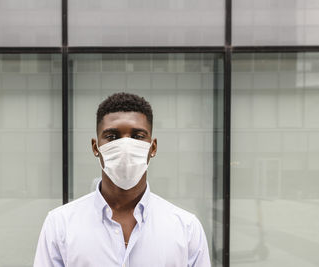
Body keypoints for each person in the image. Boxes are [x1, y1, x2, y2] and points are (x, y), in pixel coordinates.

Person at [33, 92, 211, 267]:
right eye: (112, 136)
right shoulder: (60, 225)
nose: (125, 146)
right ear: (96, 147)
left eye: (138, 136)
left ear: (153, 147)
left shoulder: (186, 228)